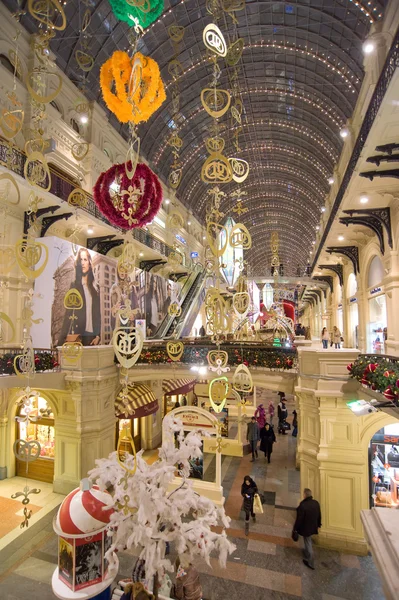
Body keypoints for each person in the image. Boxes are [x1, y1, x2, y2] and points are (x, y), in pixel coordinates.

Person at [59, 248, 101, 346]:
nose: (82, 263)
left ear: (90, 263)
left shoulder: (95, 288)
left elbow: (97, 315)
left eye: (85, 259)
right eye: (80, 260)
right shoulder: (75, 286)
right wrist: (61, 343)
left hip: (92, 337)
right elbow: (68, 313)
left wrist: (98, 336)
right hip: (79, 336)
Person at [293, 488, 322, 570]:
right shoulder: (316, 503)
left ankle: (310, 561)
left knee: (308, 541)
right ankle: (306, 552)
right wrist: (319, 524)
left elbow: (299, 519)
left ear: (305, 495)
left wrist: (295, 528)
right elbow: (319, 514)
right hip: (313, 526)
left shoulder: (303, 505)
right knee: (307, 540)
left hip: (306, 527)